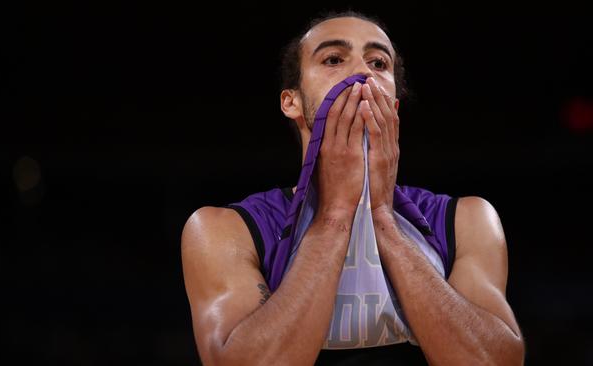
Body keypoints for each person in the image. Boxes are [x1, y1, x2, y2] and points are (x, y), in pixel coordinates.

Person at [181, 10, 525, 366]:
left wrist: (382, 218)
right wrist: (335, 216)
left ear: (393, 106)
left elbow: (495, 361)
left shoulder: (466, 218)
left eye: (378, 63)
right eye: (333, 59)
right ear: (291, 102)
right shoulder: (224, 230)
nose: (362, 73)